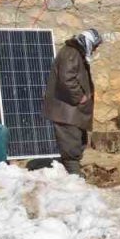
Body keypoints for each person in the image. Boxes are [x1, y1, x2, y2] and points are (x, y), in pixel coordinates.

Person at [42, 29, 101, 177]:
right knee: (71, 147)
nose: (95, 50)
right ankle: (74, 179)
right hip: (67, 111)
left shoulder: (74, 53)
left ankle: (73, 178)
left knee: (75, 143)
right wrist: (79, 96)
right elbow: (67, 79)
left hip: (70, 111)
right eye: (94, 46)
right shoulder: (71, 53)